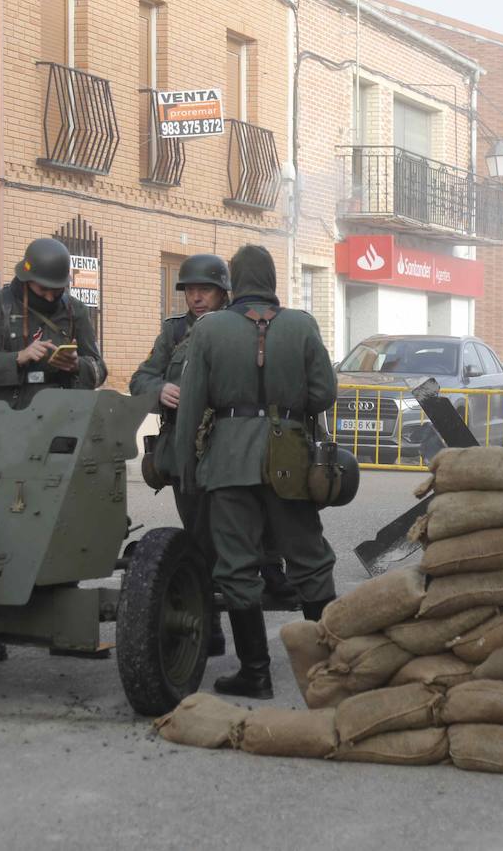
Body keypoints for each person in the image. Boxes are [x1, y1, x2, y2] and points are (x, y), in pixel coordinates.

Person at [174, 244, 338, 699]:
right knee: (310, 560)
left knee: (236, 566)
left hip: (228, 459)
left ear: (233, 281)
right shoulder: (302, 325)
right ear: (272, 280)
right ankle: (334, 666)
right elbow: (325, 394)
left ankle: (256, 673)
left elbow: (190, 406)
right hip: (291, 459)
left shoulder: (209, 330)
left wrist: (185, 466)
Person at [128, 254, 300, 660]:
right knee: (201, 541)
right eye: (189, 290)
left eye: (204, 290)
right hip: (189, 448)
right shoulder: (174, 333)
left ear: (225, 292)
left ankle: (270, 573)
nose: (196, 297)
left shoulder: (250, 324)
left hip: (232, 444)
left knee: (250, 530)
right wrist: (159, 391)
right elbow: (141, 377)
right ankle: (209, 628)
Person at [0, 236, 106, 407]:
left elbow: (99, 369)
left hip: (64, 412)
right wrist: (18, 358)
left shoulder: (76, 310)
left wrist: (77, 365)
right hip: (7, 415)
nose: (50, 298)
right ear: (26, 280)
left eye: (57, 290)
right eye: (43, 289)